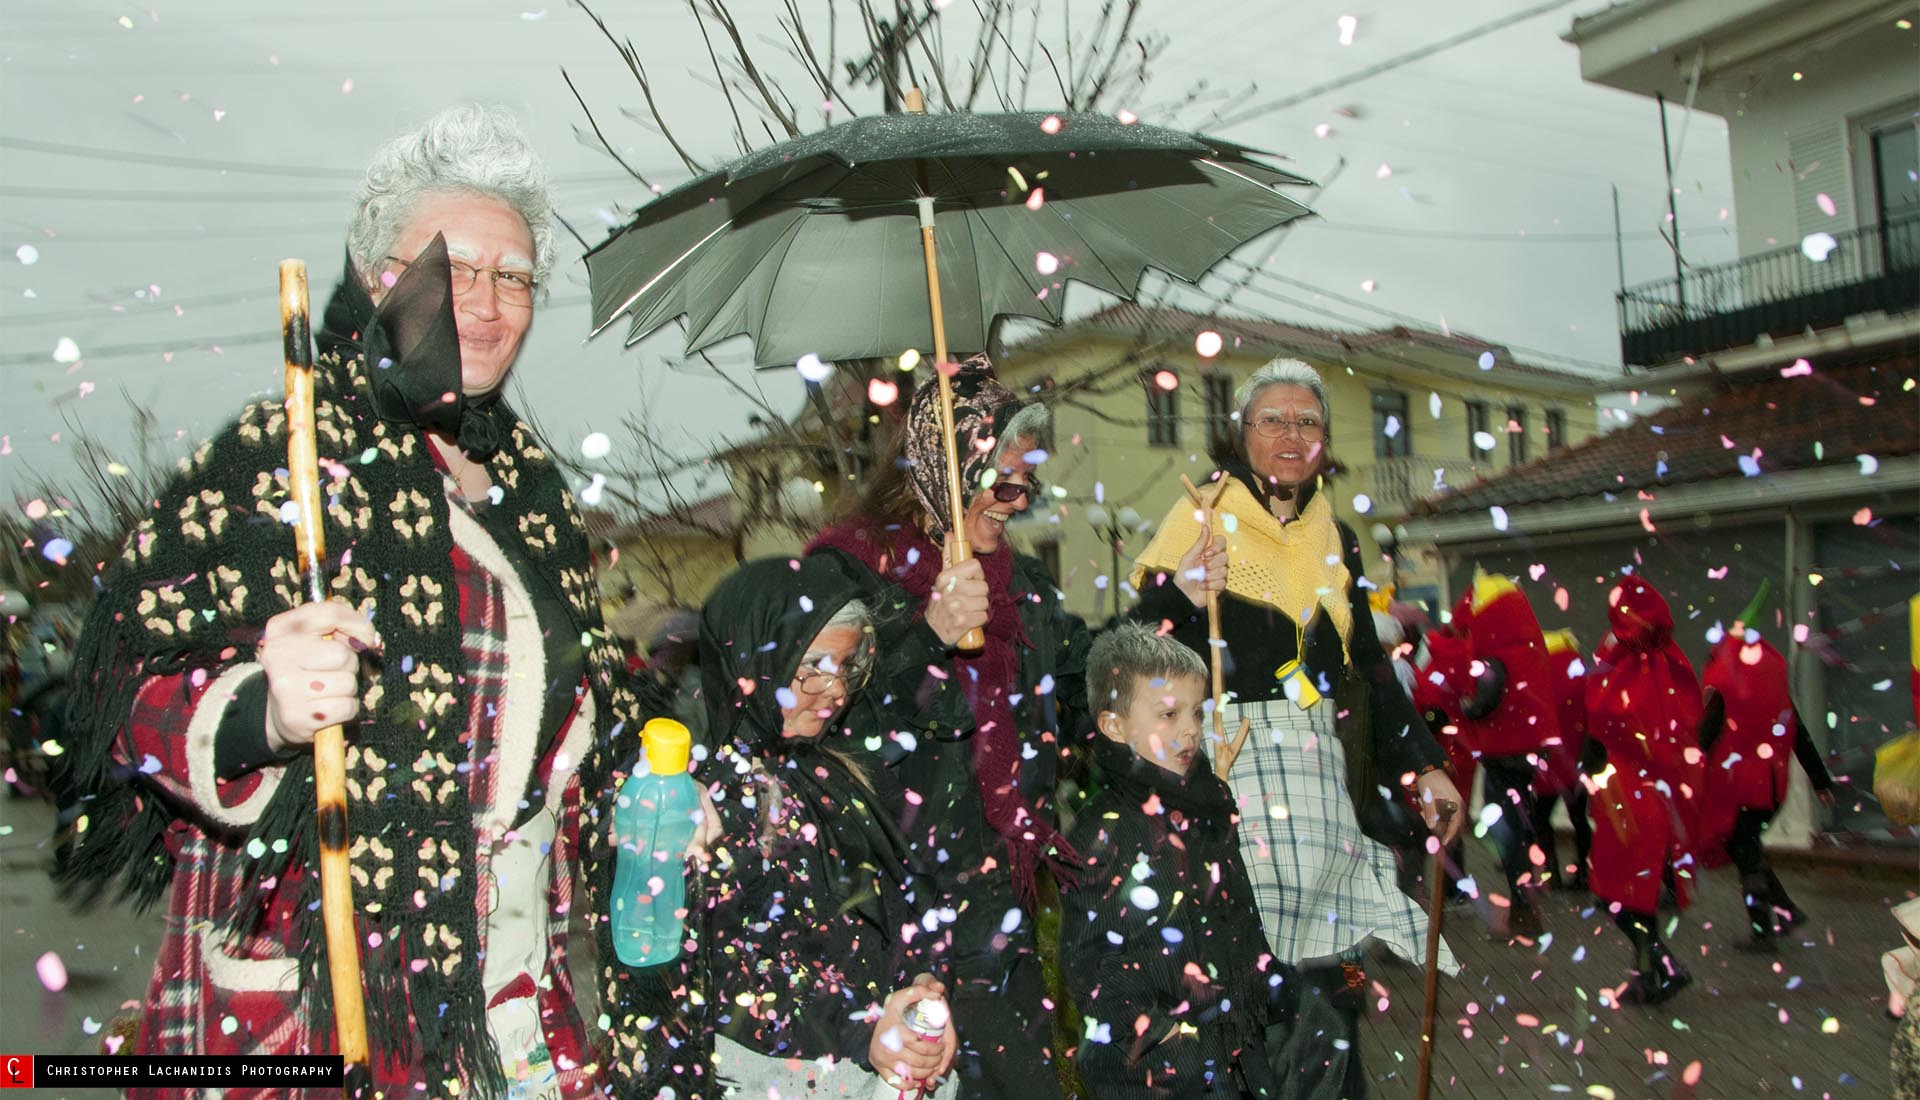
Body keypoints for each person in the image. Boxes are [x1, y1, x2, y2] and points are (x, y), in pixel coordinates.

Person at [55, 106, 639, 1098]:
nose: (490, 303)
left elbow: (559, 752)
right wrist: (263, 708)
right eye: (455, 268)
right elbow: (126, 680)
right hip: (313, 1015)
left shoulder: (533, 496)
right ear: (381, 280)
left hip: (510, 1010)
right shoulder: (286, 453)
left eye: (514, 275)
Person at [1129, 357, 1463, 1099]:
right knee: (1256, 977)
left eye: (1307, 420)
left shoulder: (1335, 537)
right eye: (1272, 419)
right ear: (1240, 433)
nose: (1291, 433)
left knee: (1327, 978)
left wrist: (1422, 766)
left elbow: (1368, 667)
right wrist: (1182, 591)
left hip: (1317, 773)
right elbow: (1132, 654)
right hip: (1228, 769)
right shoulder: (1199, 518)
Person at [807, 357, 1091, 1097]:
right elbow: (819, 723)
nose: (1016, 498)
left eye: (1029, 482)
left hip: (996, 906)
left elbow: (1085, 687)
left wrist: (1176, 598)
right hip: (888, 908)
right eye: (1002, 477)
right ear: (945, 462)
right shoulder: (850, 568)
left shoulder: (1019, 586)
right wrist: (924, 633)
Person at [604, 556, 958, 1097]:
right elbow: (722, 981)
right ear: (754, 660)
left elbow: (899, 900)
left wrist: (918, 986)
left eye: (848, 667)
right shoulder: (711, 800)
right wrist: (861, 1030)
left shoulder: (831, 769)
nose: (836, 690)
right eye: (811, 665)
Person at [1061, 622, 1323, 1099]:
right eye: (1168, 713)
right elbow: (1084, 959)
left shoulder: (1204, 801)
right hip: (1155, 1071)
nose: (1190, 729)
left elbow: (1230, 906)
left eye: (1197, 713)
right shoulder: (1107, 829)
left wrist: (1257, 988)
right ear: (1114, 726)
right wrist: (1155, 1028)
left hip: (1226, 1051)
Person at [1413, 571, 1556, 938]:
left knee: (1505, 828)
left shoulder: (1497, 658)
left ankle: (1524, 907)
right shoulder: (1526, 649)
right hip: (1527, 750)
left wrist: (1467, 706)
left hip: (1503, 752)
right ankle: (1529, 895)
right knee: (1519, 822)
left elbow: (1484, 702)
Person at [1581, 575, 1702, 1005]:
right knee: (1636, 892)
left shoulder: (1615, 655)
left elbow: (1600, 717)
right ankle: (1649, 975)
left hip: (1624, 791)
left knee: (1614, 892)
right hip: (1660, 788)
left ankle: (1661, 966)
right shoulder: (1671, 657)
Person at [1696, 586, 1835, 950]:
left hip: (1739, 788)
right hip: (1772, 789)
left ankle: (1763, 932)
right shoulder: (1773, 689)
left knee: (1745, 853)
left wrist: (1683, 769)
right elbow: (1799, 734)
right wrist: (1821, 781)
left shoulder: (1727, 687)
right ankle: (1787, 911)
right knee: (1749, 848)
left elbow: (1704, 736)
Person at [1530, 628, 1592, 893]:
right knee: (1580, 818)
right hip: (1578, 760)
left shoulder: (1542, 675)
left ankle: (1551, 873)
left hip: (1549, 763)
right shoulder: (1581, 675)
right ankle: (1585, 874)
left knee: (1541, 817)